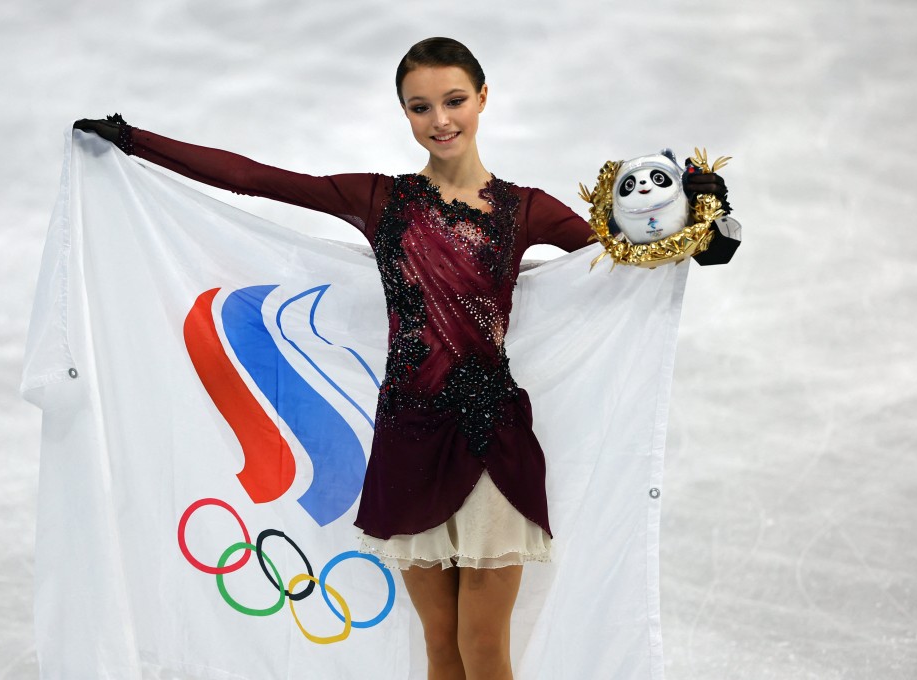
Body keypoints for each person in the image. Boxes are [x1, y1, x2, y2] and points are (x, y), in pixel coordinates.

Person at [75, 37, 727, 680]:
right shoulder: (381, 200)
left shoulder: (522, 209)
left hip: (489, 441)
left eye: (453, 101)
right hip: (408, 442)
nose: (439, 120)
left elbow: (616, 255)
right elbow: (258, 180)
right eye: (420, 107)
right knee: (440, 647)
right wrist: (136, 141)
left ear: (482, 99)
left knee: (483, 644)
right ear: (405, 113)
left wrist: (697, 225)